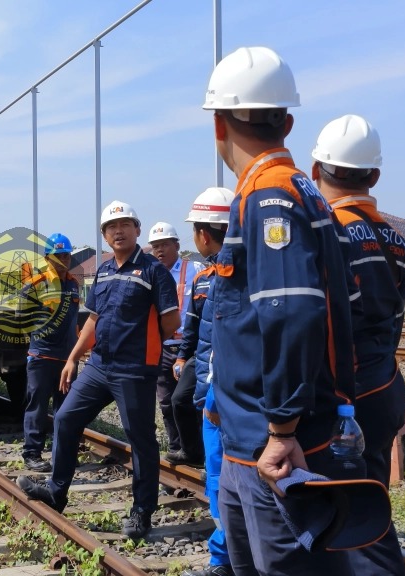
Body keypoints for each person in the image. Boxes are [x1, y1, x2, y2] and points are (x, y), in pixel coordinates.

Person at [202, 47, 360, 575]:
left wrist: (283, 429)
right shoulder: (287, 190)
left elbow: (290, 314)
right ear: (288, 121)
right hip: (249, 433)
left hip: (273, 445)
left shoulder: (270, 197)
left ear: (219, 124)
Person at [16, 200, 180, 540]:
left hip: (134, 370)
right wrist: (74, 357)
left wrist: (142, 347)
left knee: (141, 439)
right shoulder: (104, 271)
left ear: (137, 229)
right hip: (100, 365)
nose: (118, 231)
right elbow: (93, 319)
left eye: (124, 224)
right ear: (105, 235)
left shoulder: (153, 272)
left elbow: (171, 321)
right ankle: (56, 491)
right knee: (65, 418)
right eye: (111, 227)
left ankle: (141, 510)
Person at [311, 114, 405, 576]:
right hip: (384, 384)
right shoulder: (399, 243)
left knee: (347, 516)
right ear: (374, 176)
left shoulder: (323, 228)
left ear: (316, 170)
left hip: (340, 392)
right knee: (367, 501)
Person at [175, 187, 235, 576]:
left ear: (203, 234)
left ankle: (224, 560)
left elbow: (225, 345)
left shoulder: (227, 277)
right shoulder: (216, 274)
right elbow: (199, 331)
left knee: (222, 478)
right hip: (220, 388)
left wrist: (211, 398)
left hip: (223, 394)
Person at [19, 233, 82, 472]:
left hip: (67, 358)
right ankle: (32, 454)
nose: (63, 259)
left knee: (65, 408)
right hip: (42, 356)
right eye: (58, 256)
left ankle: (62, 453)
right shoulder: (37, 283)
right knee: (37, 406)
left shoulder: (73, 284)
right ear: (48, 257)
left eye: (66, 255)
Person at [148, 222, 205, 465]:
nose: (160, 250)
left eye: (165, 245)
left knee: (192, 400)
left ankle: (198, 450)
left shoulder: (195, 269)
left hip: (189, 348)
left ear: (176, 246)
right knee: (166, 402)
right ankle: (177, 447)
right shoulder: (150, 273)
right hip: (163, 346)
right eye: (156, 246)